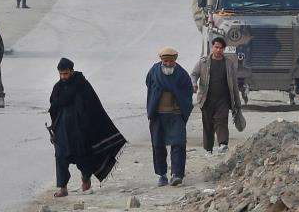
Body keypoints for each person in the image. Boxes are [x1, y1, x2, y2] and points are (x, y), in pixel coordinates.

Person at [49, 58, 127, 198]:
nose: (63, 77)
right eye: (61, 74)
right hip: (62, 130)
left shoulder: (83, 85)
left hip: (80, 130)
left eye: (65, 73)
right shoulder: (58, 87)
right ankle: (63, 188)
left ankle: (86, 182)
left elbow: (93, 107)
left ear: (72, 71)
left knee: (83, 157)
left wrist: (86, 126)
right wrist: (54, 128)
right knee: (60, 157)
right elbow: (53, 106)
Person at [146, 47, 193, 187]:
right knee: (158, 145)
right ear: (161, 60)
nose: (168, 63)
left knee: (178, 143)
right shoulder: (154, 72)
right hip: (158, 114)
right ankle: (162, 175)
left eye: (170, 61)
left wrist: (181, 103)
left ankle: (177, 174)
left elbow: (188, 90)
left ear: (175, 60)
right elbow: (149, 84)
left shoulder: (181, 74)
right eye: (165, 60)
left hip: (176, 114)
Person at [191, 37, 246, 157]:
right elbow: (194, 74)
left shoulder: (229, 63)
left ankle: (223, 144)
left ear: (224, 49)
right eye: (216, 47)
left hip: (223, 99)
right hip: (206, 99)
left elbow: (234, 85)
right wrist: (194, 83)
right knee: (208, 124)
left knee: (222, 121)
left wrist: (237, 103)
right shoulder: (203, 62)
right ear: (212, 47)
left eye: (221, 48)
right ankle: (208, 149)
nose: (218, 50)